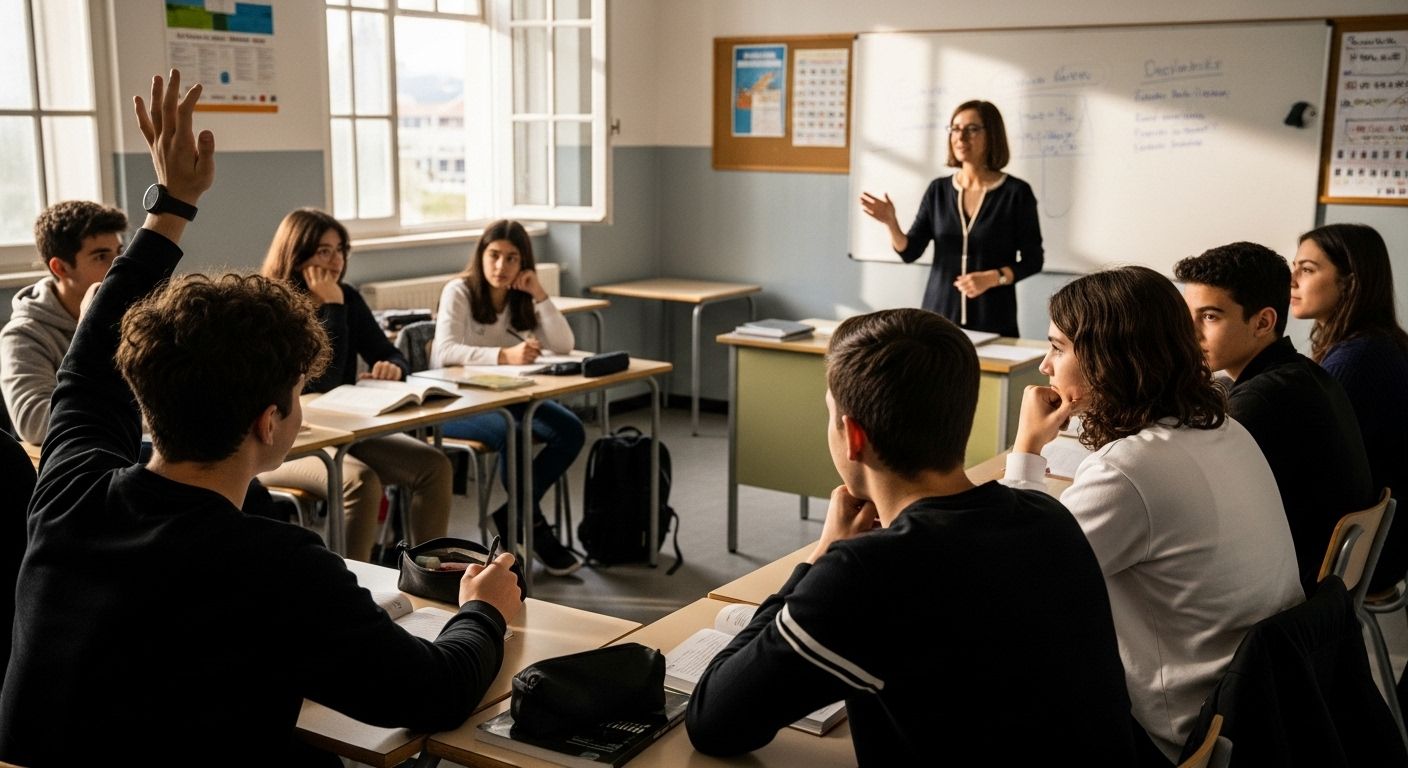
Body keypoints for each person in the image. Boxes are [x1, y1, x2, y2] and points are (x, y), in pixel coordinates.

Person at [0, 70, 522, 765]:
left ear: (145, 390)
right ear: (268, 423)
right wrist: (484, 610)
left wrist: (170, 208)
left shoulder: (68, 492)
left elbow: (89, 362)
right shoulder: (273, 566)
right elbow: (434, 693)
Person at [686, 308, 1135, 765]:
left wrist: (823, 557)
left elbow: (714, 720)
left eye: (831, 415)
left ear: (853, 437)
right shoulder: (1047, 515)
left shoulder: (865, 572)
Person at [1002, 266, 1302, 764]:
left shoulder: (1130, 469)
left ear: (1108, 359)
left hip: (1174, 732)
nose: (1045, 367)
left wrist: (1026, 447)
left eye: (1057, 347)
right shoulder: (1223, 427)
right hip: (1252, 706)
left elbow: (1015, 585)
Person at [1174, 242, 1374, 593]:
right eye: (1187, 316)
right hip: (1322, 579)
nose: (1190, 333)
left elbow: (1199, 502)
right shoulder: (1303, 373)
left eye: (1210, 316)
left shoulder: (1261, 400)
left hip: (1287, 589)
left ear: (1263, 322)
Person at [259, 207, 454, 562]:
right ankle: (353, 590)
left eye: (341, 251)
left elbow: (391, 353)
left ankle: (428, 573)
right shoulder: (272, 306)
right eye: (324, 251)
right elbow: (323, 381)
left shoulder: (347, 297)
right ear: (296, 254)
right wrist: (332, 308)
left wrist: (391, 367)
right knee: (361, 483)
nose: (335, 262)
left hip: (344, 429)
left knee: (434, 466)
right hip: (284, 441)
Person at [431, 220, 584, 576]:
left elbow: (564, 345)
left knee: (571, 431)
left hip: (508, 397)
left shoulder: (520, 298)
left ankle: (512, 513)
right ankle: (532, 524)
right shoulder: (459, 291)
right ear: (481, 256)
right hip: (456, 401)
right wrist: (505, 356)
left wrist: (540, 294)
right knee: (511, 432)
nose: (501, 267)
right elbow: (445, 352)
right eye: (494, 256)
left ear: (524, 263)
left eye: (512, 259)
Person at [858, 100, 1043, 337]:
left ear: (992, 134)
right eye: (955, 129)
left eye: (972, 129)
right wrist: (891, 223)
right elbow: (909, 251)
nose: (961, 137)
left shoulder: (1016, 193)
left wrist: (994, 277)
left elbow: (1033, 260)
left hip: (994, 318)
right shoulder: (938, 190)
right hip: (939, 317)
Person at [1292, 223, 1408, 593]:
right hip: (1378, 546)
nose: (1292, 279)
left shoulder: (1354, 361)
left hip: (1360, 555)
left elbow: (1313, 465)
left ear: (1349, 283)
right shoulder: (1376, 344)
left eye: (1307, 269)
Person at [1, 201, 126, 445]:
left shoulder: (128, 311)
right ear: (60, 267)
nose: (118, 265)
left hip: (131, 447)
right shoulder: (23, 335)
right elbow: (34, 423)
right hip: (80, 463)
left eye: (120, 252)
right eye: (101, 256)